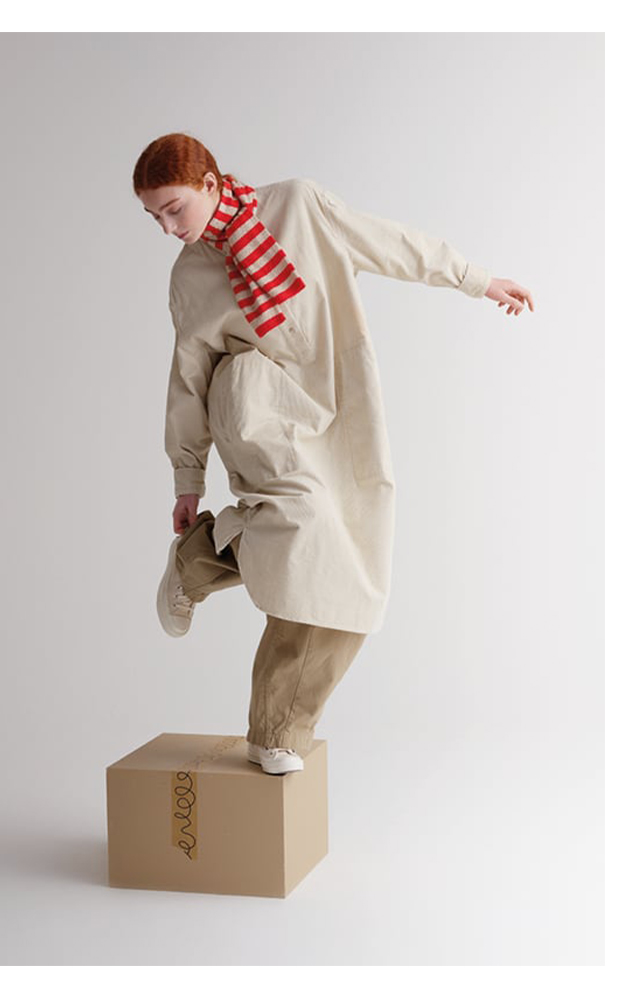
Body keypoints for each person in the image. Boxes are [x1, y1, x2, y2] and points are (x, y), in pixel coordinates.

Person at [133, 132, 534, 776]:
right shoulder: (189, 275)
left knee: (354, 567)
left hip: (331, 397)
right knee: (307, 532)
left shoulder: (298, 205)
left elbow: (388, 242)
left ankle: (198, 563)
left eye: (173, 208)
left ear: (209, 183)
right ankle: (275, 732)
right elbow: (188, 375)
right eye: (154, 216)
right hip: (251, 400)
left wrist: (477, 280)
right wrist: (187, 475)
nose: (167, 228)